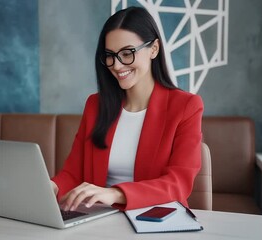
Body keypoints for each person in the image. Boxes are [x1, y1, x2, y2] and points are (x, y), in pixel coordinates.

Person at [51, 6, 203, 211]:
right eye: (110, 55)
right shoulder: (96, 105)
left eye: (127, 53)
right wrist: (50, 187)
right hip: (99, 218)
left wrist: (115, 193)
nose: (117, 65)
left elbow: (178, 183)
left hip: (155, 219)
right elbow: (73, 173)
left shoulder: (186, 106)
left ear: (154, 49)